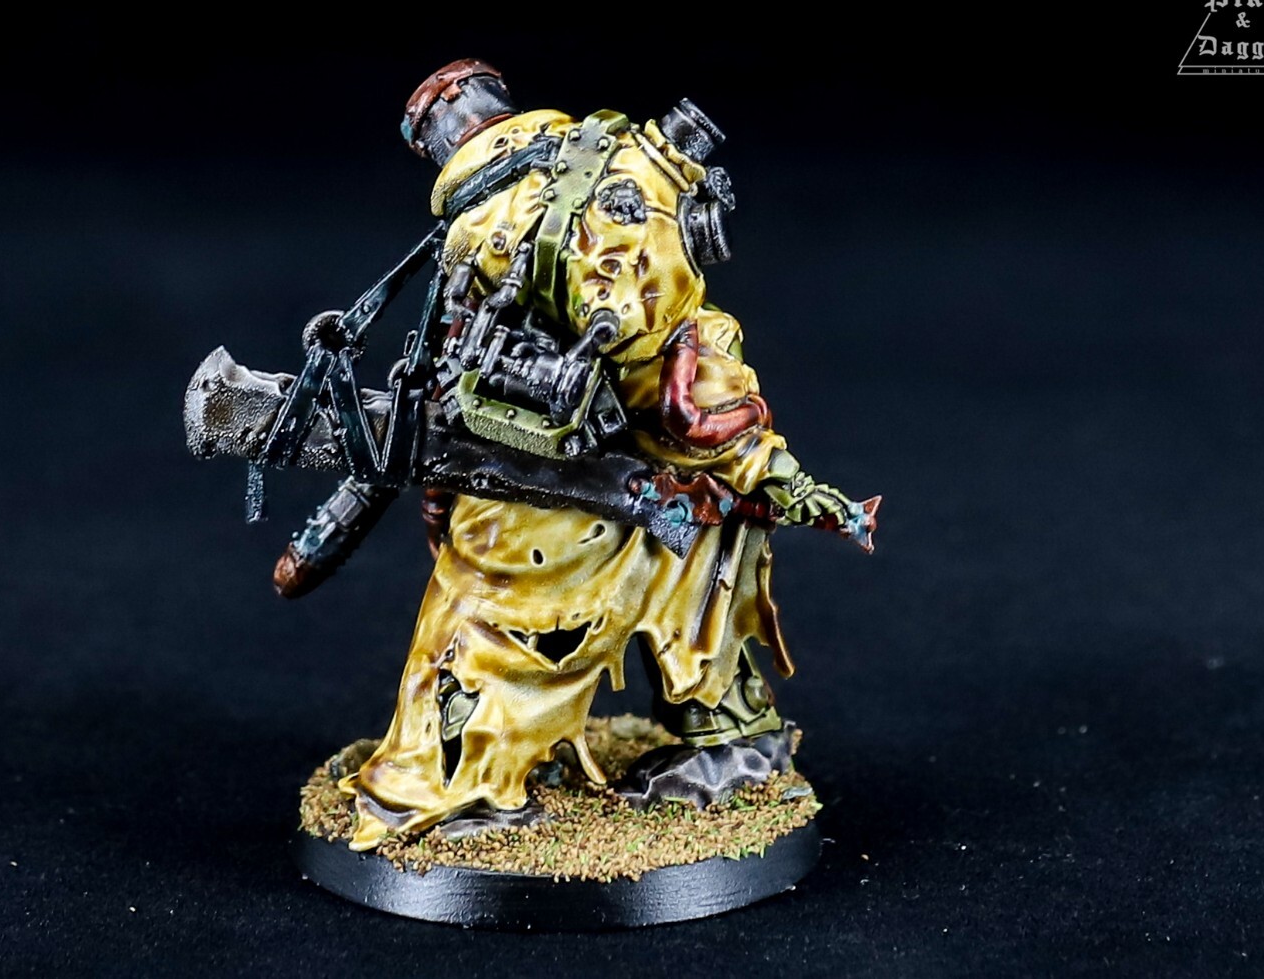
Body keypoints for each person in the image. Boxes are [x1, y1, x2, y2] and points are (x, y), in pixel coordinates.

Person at [336, 60, 873, 849]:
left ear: (437, 139)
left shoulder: (482, 224)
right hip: (663, 414)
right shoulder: (628, 158)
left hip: (576, 457)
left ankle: (448, 786)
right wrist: (739, 444)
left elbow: (471, 357)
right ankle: (731, 741)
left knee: (493, 601)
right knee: (697, 575)